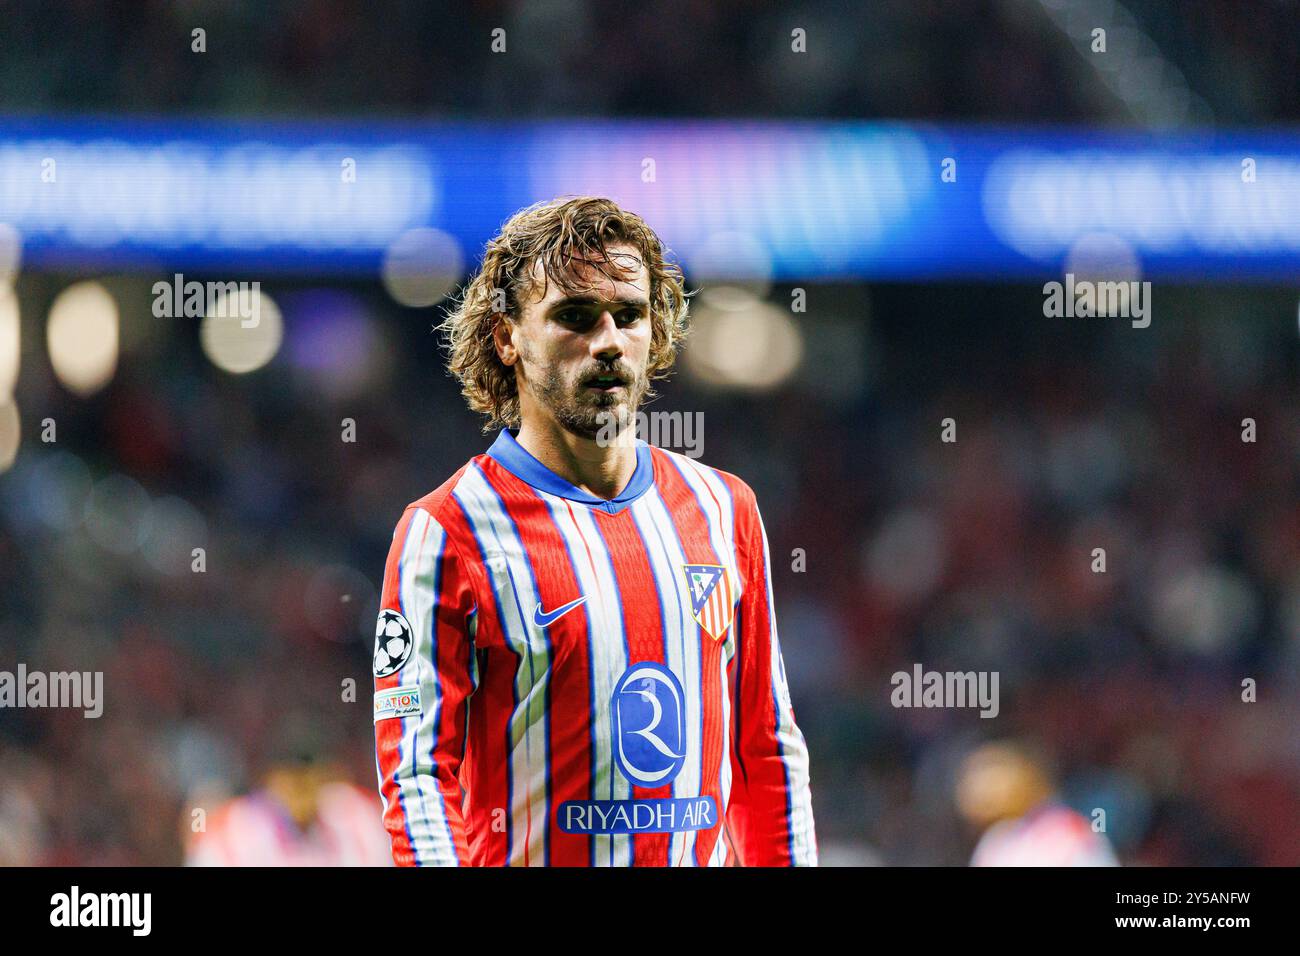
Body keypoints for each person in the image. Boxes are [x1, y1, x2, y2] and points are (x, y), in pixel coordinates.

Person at [372, 196, 817, 866]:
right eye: (575, 317)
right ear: (507, 336)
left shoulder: (725, 509)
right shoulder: (446, 531)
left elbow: (765, 745)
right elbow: (416, 777)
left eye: (629, 315)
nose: (609, 340)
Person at [956, 741, 1118, 867]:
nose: (984, 791)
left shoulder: (1070, 831)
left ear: (1028, 777)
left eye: (993, 780)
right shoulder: (995, 840)